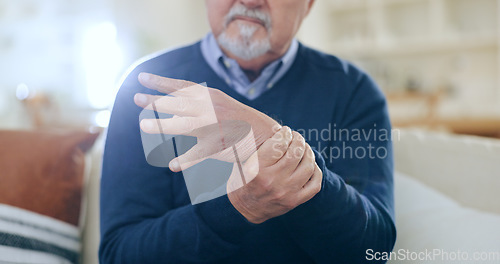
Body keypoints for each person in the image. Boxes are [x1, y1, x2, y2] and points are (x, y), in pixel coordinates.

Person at [99, 0, 396, 263]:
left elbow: (373, 250)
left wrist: (272, 139)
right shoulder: (146, 89)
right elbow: (119, 254)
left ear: (309, 4)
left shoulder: (354, 92)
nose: (251, 1)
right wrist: (238, 206)